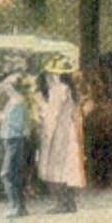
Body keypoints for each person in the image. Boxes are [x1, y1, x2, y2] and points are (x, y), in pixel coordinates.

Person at [37, 56, 86, 214]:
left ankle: (62, 203)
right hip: (68, 132)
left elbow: (52, 115)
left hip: (59, 133)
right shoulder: (68, 88)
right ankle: (69, 202)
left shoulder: (57, 90)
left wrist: (42, 121)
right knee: (68, 168)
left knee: (57, 167)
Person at [0, 74, 32, 219]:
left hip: (14, 140)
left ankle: (15, 206)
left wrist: (2, 118)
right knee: (15, 174)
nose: (5, 90)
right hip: (11, 140)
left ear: (12, 87)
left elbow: (18, 126)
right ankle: (20, 207)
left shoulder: (17, 103)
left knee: (7, 174)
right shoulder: (14, 102)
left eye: (7, 87)